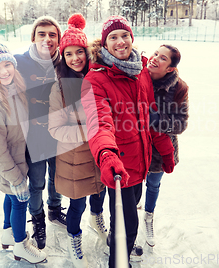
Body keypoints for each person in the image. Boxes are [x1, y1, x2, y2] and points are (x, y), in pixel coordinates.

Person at [80, 16, 175, 268]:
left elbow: (150, 114)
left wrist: (165, 150)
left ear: (132, 38)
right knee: (127, 225)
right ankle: (118, 261)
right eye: (113, 37)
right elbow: (99, 123)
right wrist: (107, 156)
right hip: (118, 169)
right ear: (104, 44)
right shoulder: (96, 80)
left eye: (124, 35)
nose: (120, 42)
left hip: (140, 164)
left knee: (127, 214)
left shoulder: (141, 70)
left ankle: (118, 242)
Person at [0, 37, 46, 263]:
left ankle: (8, 232)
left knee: (12, 199)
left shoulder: (11, 89)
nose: (3, 71)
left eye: (7, 64)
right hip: (7, 165)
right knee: (19, 200)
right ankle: (21, 244)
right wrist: (15, 178)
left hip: (16, 158)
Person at [48, 13, 108, 268]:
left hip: (99, 153)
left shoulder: (98, 78)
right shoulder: (59, 87)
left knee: (100, 193)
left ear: (87, 52)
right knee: (76, 205)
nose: (75, 59)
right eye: (68, 53)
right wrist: (89, 132)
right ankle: (75, 240)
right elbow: (55, 129)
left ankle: (97, 220)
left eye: (79, 52)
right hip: (74, 159)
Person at [14, 16, 66, 250]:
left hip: (59, 135)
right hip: (33, 137)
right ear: (33, 37)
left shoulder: (66, 63)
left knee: (57, 178)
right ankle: (38, 219)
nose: (47, 39)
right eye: (42, 34)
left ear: (59, 39)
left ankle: (55, 210)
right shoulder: (18, 62)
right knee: (36, 183)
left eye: (52, 34)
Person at [144, 44, 189, 247]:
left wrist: (156, 119)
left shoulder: (179, 88)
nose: (155, 58)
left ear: (170, 68)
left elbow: (181, 123)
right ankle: (132, 215)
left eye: (163, 58)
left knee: (153, 185)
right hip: (135, 145)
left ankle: (148, 216)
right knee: (133, 187)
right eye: (155, 53)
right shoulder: (137, 76)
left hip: (160, 153)